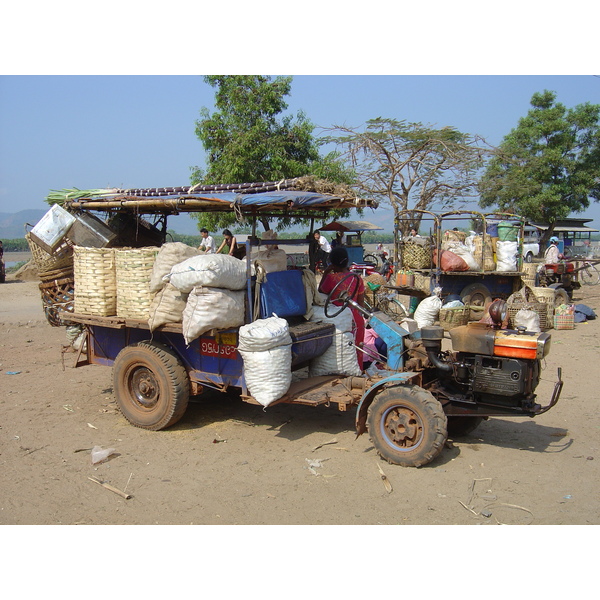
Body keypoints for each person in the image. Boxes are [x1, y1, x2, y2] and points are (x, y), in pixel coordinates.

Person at [318, 246, 366, 370]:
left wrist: (326, 272)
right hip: (356, 318)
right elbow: (361, 301)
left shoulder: (330, 279)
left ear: (332, 262)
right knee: (358, 348)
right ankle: (358, 372)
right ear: (347, 260)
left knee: (341, 349)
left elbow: (320, 291)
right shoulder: (357, 278)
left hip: (339, 320)